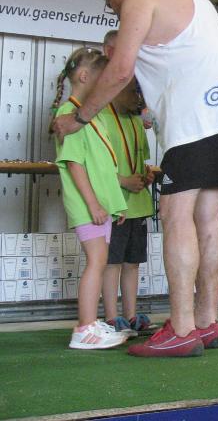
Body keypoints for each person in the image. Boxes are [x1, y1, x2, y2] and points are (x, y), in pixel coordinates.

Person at [52, 0, 218, 357]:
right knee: (208, 219)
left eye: (111, 7)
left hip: (198, 117)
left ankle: (181, 328)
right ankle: (206, 322)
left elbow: (120, 71)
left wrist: (78, 119)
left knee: (175, 214)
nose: (116, 14)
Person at [51, 47, 128, 350]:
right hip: (88, 205)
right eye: (101, 77)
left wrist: (115, 203)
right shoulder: (68, 115)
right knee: (96, 262)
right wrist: (94, 204)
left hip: (100, 205)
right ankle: (85, 328)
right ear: (84, 76)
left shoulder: (92, 115)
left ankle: (90, 322)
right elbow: (75, 163)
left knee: (100, 261)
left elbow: (102, 164)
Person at [97, 74, 156, 336]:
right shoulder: (101, 118)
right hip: (115, 204)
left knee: (133, 262)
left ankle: (131, 316)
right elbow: (96, 166)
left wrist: (147, 175)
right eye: (134, 93)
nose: (139, 100)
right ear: (118, 89)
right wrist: (122, 181)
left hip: (138, 204)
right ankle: (112, 317)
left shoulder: (136, 121)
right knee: (112, 262)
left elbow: (142, 160)